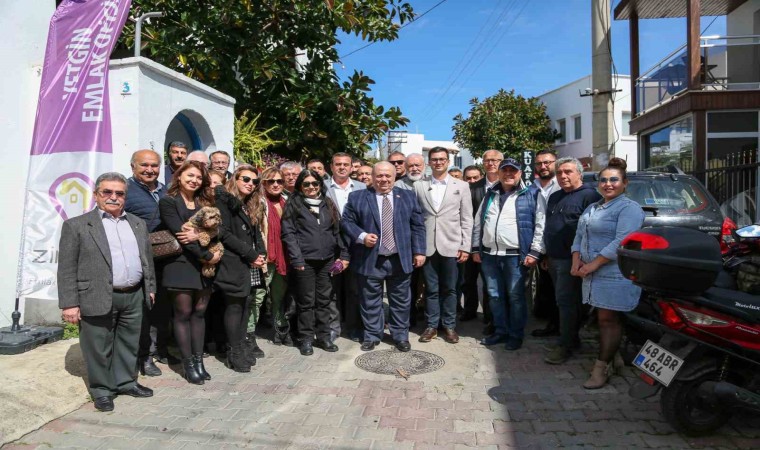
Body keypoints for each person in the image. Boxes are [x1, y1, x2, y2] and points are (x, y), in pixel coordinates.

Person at [58, 172, 156, 412]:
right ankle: (102, 390)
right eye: (107, 192)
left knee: (129, 342)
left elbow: (146, 259)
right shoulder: (76, 226)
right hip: (97, 294)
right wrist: (70, 303)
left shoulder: (137, 223)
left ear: (125, 196)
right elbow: (67, 268)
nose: (113, 197)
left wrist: (150, 287)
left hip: (133, 294)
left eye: (119, 193)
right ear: (96, 195)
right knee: (98, 345)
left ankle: (125, 382)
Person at [572, 158, 644, 388]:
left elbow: (621, 241)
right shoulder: (593, 207)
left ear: (625, 183)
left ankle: (600, 368)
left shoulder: (629, 208)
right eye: (603, 180)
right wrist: (576, 260)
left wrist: (592, 265)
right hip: (591, 273)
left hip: (614, 274)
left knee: (607, 319)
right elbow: (579, 236)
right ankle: (615, 360)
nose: (607, 184)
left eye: (614, 180)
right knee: (603, 319)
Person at [341, 162, 426, 352]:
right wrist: (362, 236)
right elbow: (346, 221)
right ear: (372, 177)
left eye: (388, 176)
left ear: (395, 177)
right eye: (379, 176)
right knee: (370, 299)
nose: (384, 179)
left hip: (399, 258)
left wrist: (419, 251)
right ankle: (372, 335)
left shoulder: (408, 196)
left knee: (401, 300)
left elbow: (418, 225)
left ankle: (400, 336)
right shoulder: (358, 197)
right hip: (370, 258)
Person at [472, 158, 544, 351]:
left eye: (513, 171)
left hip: (515, 256)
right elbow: (479, 223)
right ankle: (500, 331)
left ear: (520, 173)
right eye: (505, 171)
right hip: (489, 255)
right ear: (499, 172)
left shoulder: (532, 194)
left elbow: (540, 225)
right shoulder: (490, 194)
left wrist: (535, 251)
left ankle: (515, 334)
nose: (509, 174)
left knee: (515, 296)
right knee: (494, 295)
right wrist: (475, 248)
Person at [159, 160, 220, 384]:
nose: (194, 180)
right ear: (179, 176)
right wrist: (207, 255)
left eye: (198, 178)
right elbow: (181, 236)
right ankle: (188, 364)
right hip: (181, 265)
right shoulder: (168, 202)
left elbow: (218, 229)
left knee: (200, 314)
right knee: (183, 314)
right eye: (190, 176)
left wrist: (202, 235)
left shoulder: (205, 201)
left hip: (203, 268)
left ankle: (199, 360)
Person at [282, 170, 349, 356]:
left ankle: (324, 337)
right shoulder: (294, 204)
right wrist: (297, 258)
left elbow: (337, 231)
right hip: (305, 262)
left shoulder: (328, 203)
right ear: (300, 186)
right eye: (306, 184)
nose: (311, 187)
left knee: (324, 300)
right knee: (306, 302)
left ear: (320, 184)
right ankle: (306, 339)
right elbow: (289, 234)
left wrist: (343, 255)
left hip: (327, 260)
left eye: (315, 184)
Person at [542, 157, 602, 365]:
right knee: (563, 301)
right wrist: (546, 255)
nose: (563, 176)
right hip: (554, 257)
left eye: (568, 172)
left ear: (579, 173)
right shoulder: (555, 196)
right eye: (559, 173)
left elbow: (592, 230)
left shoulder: (590, 196)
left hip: (573, 260)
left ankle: (565, 345)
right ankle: (570, 339)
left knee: (567, 302)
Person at [415, 147, 472, 345]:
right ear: (429, 162)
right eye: (434, 159)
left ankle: (449, 325)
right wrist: (417, 248)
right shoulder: (419, 186)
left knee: (450, 288)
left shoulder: (462, 186)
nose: (438, 162)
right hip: (428, 246)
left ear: (448, 161)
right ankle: (431, 326)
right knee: (431, 288)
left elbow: (467, 219)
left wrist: (466, 246)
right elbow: (415, 219)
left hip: (452, 245)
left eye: (442, 159)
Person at [213, 165, 267, 372]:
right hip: (234, 262)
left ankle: (241, 346)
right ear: (234, 178)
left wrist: (260, 254)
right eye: (245, 179)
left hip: (249, 264)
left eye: (254, 182)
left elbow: (255, 233)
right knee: (235, 307)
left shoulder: (248, 203)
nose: (250, 184)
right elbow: (223, 234)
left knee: (246, 305)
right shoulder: (224, 201)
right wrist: (251, 254)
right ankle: (233, 352)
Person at [123, 149, 171, 377]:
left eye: (154, 166)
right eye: (144, 165)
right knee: (144, 310)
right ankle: (145, 357)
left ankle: (159, 349)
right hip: (138, 260)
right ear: (133, 166)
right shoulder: (125, 190)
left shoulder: (166, 190)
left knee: (161, 309)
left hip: (165, 258)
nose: (150, 170)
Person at [324, 153, 366, 341]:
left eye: (345, 164)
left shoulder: (363, 187)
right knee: (331, 288)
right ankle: (333, 327)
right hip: (329, 246)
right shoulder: (321, 187)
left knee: (354, 289)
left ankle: (354, 327)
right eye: (338, 164)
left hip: (355, 246)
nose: (342, 167)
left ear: (352, 167)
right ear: (331, 166)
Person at [251, 167, 292, 345]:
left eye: (279, 181)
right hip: (265, 258)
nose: (275, 184)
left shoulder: (288, 201)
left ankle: (280, 329)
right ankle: (248, 335)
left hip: (285, 257)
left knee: (279, 297)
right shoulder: (257, 202)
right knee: (258, 297)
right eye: (271, 181)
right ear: (263, 183)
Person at [470, 149, 503, 335]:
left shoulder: (510, 183)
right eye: (487, 160)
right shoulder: (474, 187)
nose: (491, 163)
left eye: (495, 160)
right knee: (478, 281)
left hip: (500, 243)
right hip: (477, 241)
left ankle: (495, 319)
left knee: (496, 285)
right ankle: (482, 315)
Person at [530, 150, 562, 338]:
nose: (543, 166)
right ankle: (551, 323)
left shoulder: (562, 186)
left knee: (561, 292)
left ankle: (562, 330)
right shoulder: (531, 187)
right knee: (546, 288)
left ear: (555, 163)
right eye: (540, 163)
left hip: (559, 248)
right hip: (538, 246)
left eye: (547, 162)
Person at [459, 165, 485, 321]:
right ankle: (469, 310)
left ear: (481, 177)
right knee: (467, 280)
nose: (472, 181)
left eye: (475, 177)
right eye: (468, 178)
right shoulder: (461, 192)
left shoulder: (486, 193)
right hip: (465, 243)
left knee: (488, 283)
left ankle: (489, 315)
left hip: (484, 243)